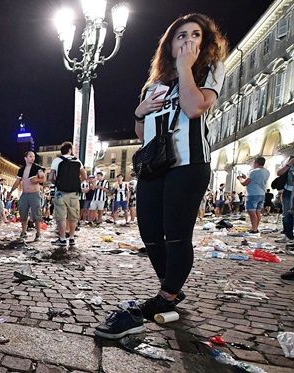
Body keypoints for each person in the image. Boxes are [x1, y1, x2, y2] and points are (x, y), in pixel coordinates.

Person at [128, 12, 228, 323]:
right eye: (181, 36)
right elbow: (144, 135)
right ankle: (170, 286)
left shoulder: (210, 70)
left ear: (204, 42)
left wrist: (186, 69)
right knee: (150, 233)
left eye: (195, 35)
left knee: (176, 233)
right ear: (169, 44)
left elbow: (193, 107)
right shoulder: (154, 85)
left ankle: (167, 295)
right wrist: (140, 111)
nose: (187, 40)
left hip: (188, 162)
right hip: (154, 165)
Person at [48, 142, 86, 247]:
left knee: (61, 216)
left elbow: (50, 177)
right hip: (74, 193)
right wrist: (76, 183)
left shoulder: (57, 160)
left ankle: (62, 238)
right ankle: (72, 237)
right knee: (73, 216)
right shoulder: (77, 161)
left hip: (61, 192)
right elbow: (84, 176)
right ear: (70, 150)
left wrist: (58, 183)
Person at [8, 151, 46, 241]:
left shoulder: (37, 168)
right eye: (30, 156)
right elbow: (17, 182)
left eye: (33, 156)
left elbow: (43, 178)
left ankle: (38, 233)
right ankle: (24, 232)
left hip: (35, 194)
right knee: (23, 213)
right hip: (25, 194)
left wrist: (36, 179)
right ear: (25, 158)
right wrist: (10, 192)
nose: (32, 158)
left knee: (36, 214)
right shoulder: (21, 170)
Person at [237, 157, 269, 234]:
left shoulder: (253, 172)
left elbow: (245, 183)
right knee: (258, 212)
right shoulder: (267, 171)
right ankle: (255, 227)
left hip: (253, 194)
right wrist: (246, 177)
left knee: (251, 212)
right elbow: (255, 180)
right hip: (261, 193)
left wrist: (240, 179)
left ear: (256, 163)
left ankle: (254, 229)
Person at [276, 156, 294, 245]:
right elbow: (279, 173)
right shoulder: (290, 162)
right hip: (288, 191)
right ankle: (288, 235)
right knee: (286, 213)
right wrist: (289, 164)